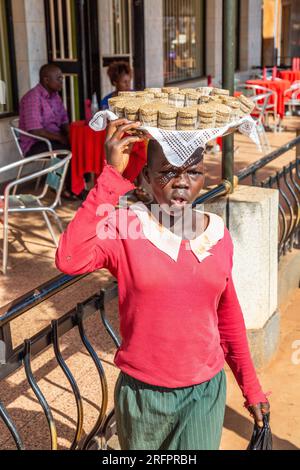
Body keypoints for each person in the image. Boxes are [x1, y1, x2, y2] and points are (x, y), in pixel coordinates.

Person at [55, 119, 270, 450]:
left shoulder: (217, 234)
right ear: (145, 177)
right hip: (143, 397)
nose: (181, 183)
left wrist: (251, 387)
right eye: (167, 172)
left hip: (204, 394)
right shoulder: (127, 228)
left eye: (193, 172)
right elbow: (70, 259)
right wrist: (111, 177)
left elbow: (227, 317)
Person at [19, 63, 76, 199]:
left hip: (51, 138)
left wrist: (70, 134)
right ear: (46, 80)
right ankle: (58, 188)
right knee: (65, 150)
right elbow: (35, 131)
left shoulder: (55, 96)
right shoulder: (32, 98)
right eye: (58, 78)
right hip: (35, 144)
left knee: (78, 145)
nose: (61, 81)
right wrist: (60, 138)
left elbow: (63, 120)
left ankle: (76, 187)